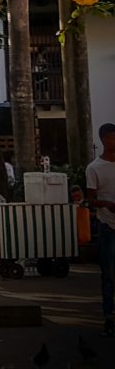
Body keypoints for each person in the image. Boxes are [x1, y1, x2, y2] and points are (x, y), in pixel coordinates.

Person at [86, 122, 115, 337]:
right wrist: (106, 204)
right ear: (104, 139)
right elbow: (91, 198)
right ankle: (109, 314)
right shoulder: (94, 167)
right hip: (108, 226)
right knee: (109, 272)